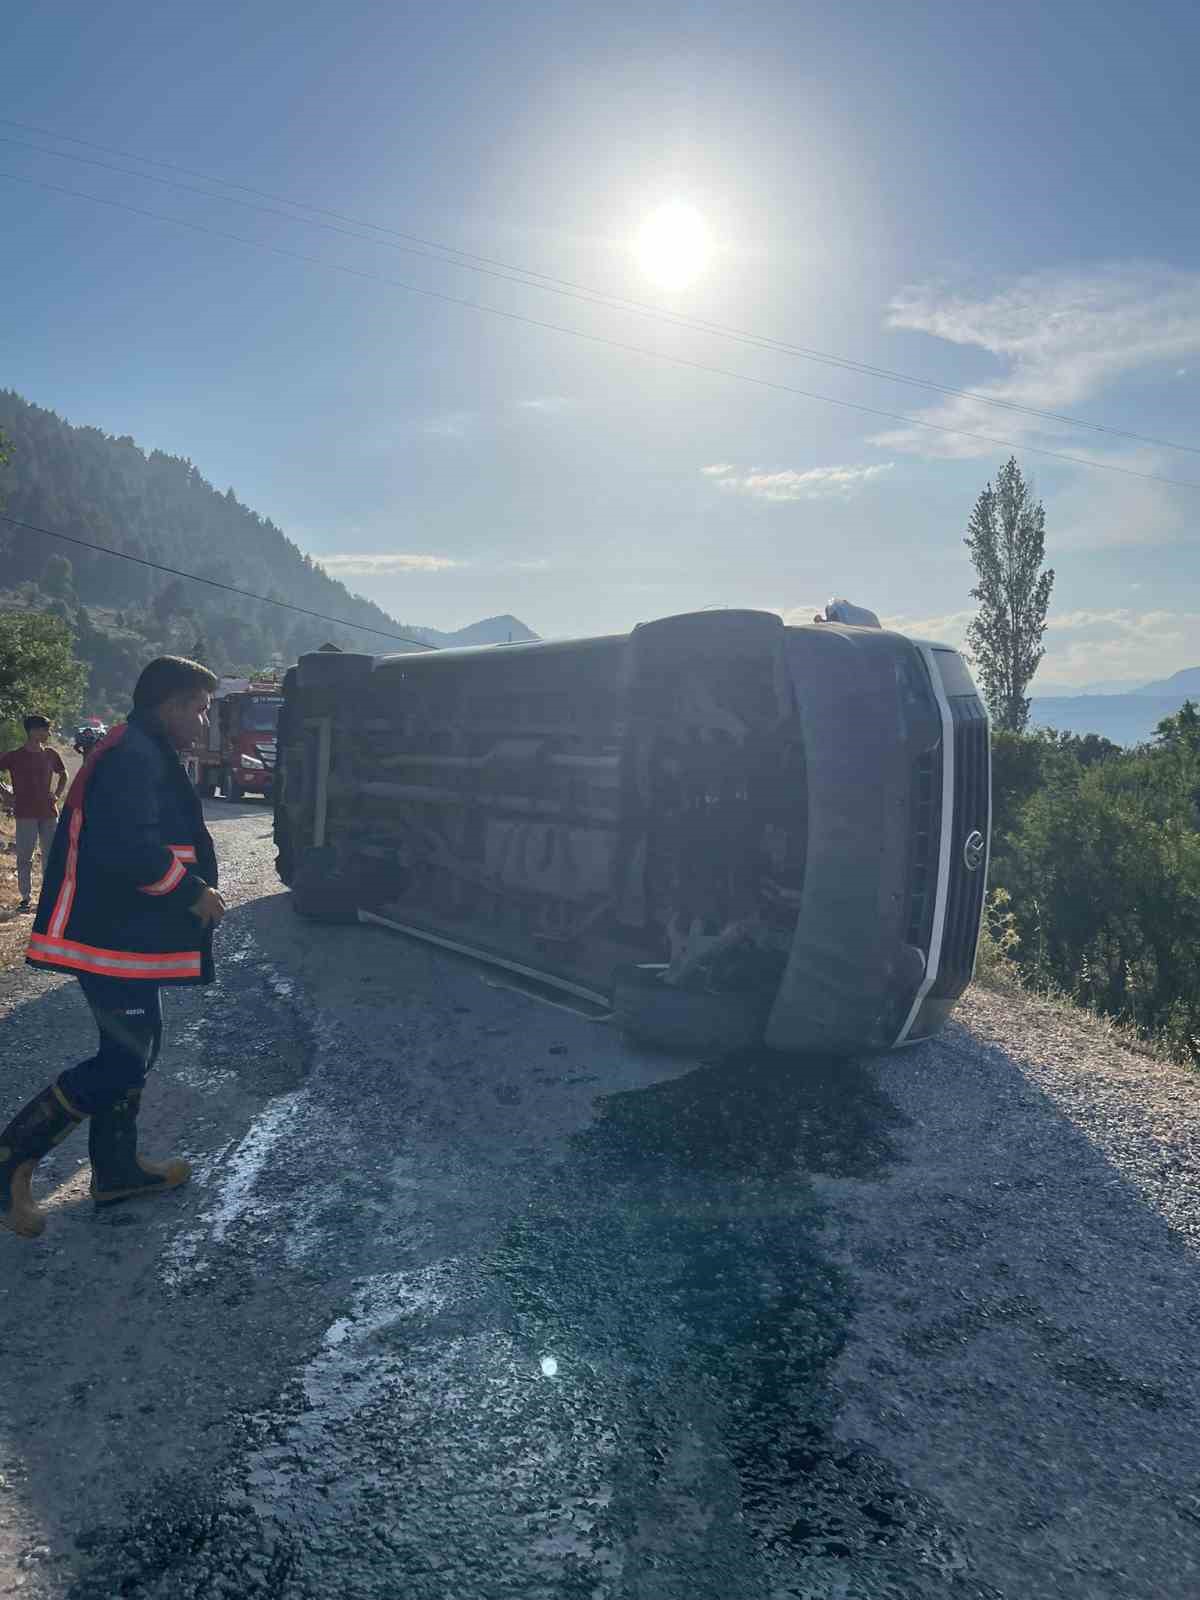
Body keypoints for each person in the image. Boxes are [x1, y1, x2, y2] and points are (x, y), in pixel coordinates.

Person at [0, 657, 227, 1240]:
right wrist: (191, 891)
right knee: (125, 1058)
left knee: (136, 1050)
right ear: (169, 704)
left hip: (123, 934)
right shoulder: (133, 755)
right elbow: (129, 845)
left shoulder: (143, 748)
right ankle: (8, 1161)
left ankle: (118, 1170)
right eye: (199, 708)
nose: (203, 722)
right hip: (108, 934)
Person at [0, 715, 68, 911]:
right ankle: (25, 898)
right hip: (24, 812)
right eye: (45, 730)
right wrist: (4, 792)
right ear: (32, 731)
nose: (48, 734)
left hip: (48, 812)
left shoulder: (51, 754)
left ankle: (48, 897)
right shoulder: (14, 756)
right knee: (24, 857)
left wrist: (56, 794)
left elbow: (63, 774)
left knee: (50, 856)